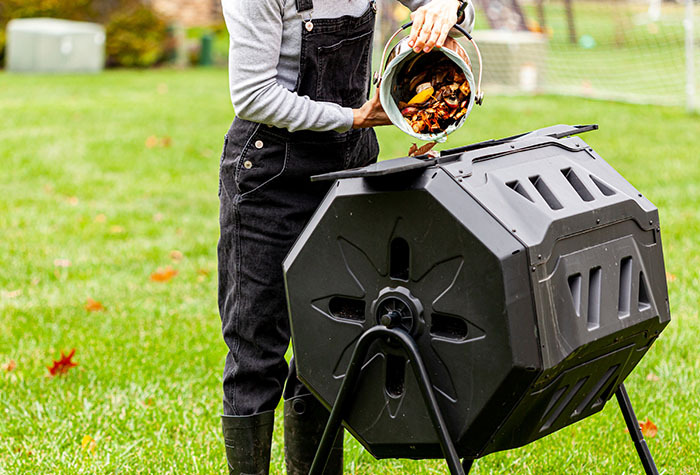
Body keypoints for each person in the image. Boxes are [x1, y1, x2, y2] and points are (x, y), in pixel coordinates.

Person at [218, 0, 475, 473]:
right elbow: (253, 95)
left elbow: (457, 11)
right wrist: (355, 117)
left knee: (329, 347)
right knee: (256, 351)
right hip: (271, 180)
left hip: (348, 174)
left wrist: (448, 9)